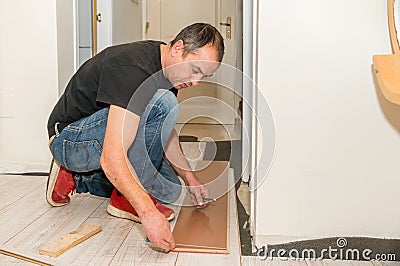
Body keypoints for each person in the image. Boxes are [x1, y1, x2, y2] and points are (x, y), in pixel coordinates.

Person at [46, 22, 224, 251]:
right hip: (69, 140)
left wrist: (191, 179)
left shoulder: (169, 72)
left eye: (204, 77)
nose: (196, 82)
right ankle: (120, 197)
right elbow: (112, 156)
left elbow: (164, 132)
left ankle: (81, 180)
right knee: (163, 103)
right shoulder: (133, 67)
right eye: (196, 70)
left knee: (170, 188)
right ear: (178, 48)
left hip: (104, 139)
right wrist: (147, 211)